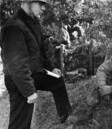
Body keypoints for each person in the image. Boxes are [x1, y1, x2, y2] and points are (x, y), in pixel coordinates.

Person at [1, 0, 72, 129]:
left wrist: (52, 68)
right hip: (18, 80)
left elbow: (41, 51)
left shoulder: (34, 23)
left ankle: (66, 118)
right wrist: (29, 91)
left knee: (57, 81)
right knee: (20, 123)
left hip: (34, 74)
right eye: (40, 4)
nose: (43, 8)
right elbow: (16, 65)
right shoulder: (13, 27)